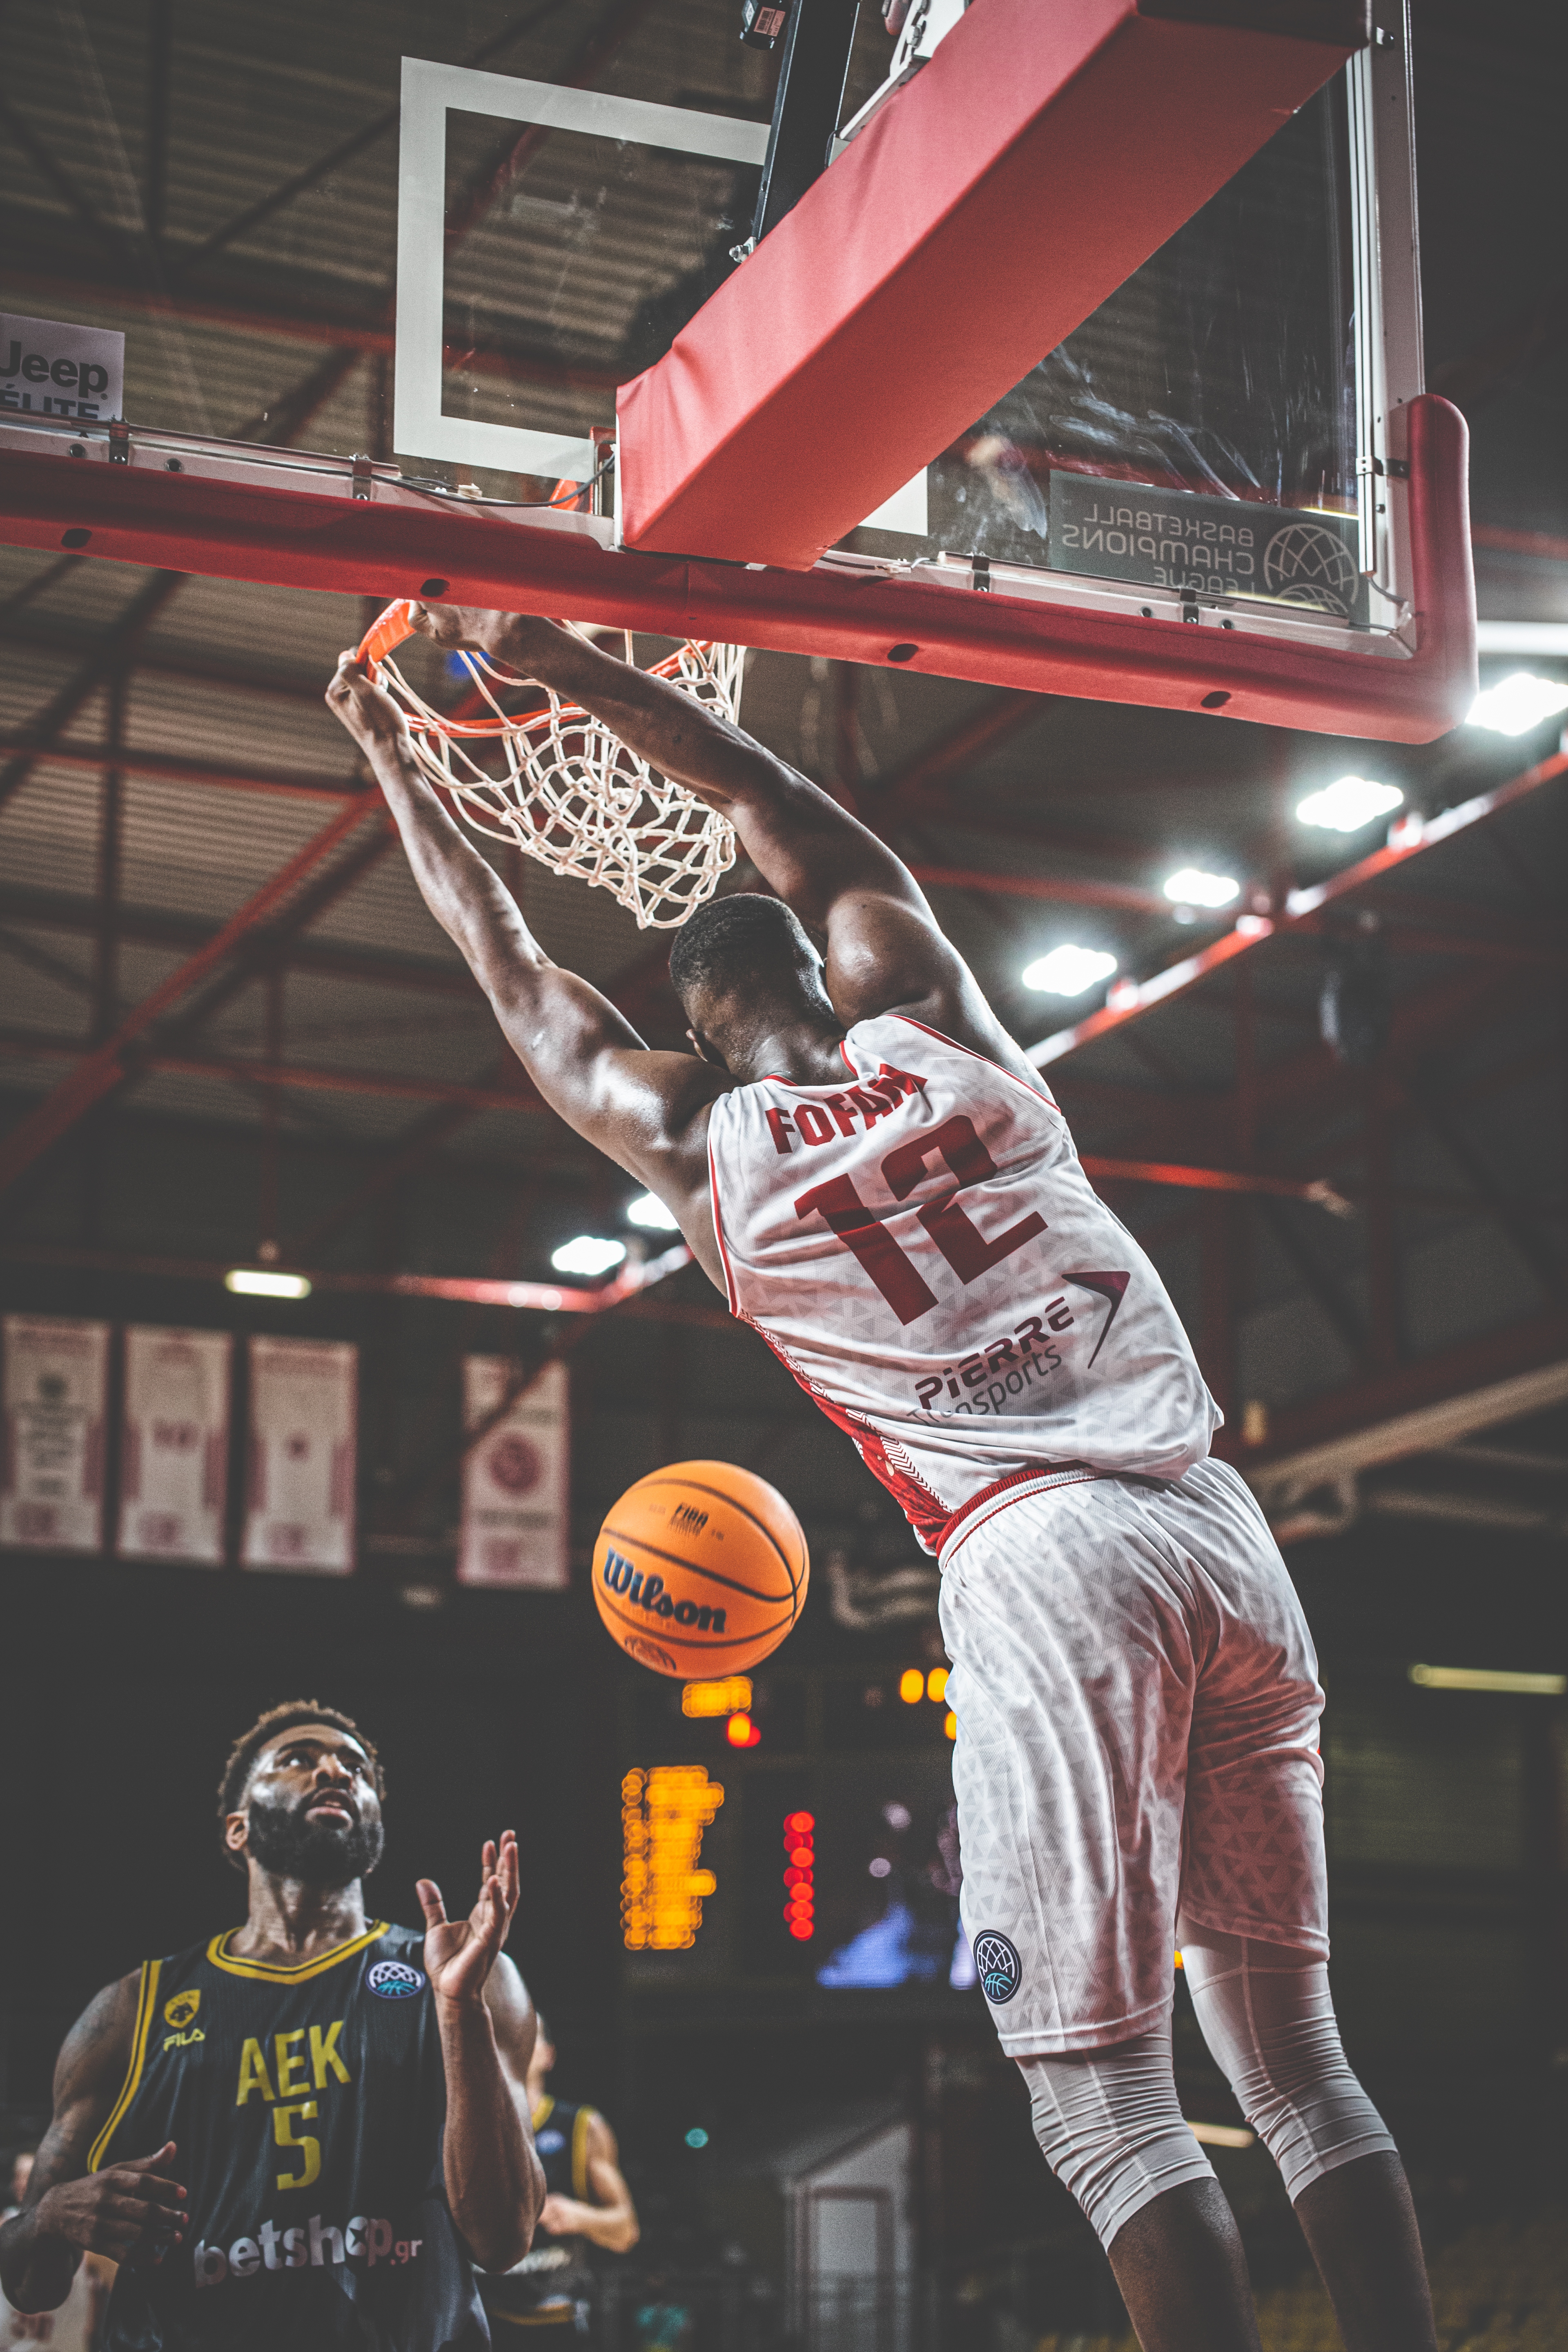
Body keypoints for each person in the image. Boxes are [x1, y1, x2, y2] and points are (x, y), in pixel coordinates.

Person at [325, 612, 1438, 2352]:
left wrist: (397, 749)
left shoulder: (699, 1147)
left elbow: (515, 977)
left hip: (1043, 1557)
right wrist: (572, 665)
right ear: (826, 965)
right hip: (1215, 1524)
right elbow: (770, 792)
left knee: (1104, 2106)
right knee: (1296, 2066)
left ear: (692, 1023)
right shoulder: (941, 1026)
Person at [0, 1701, 544, 2351]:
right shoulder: (131, 2011)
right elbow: (28, 2281)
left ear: (375, 1823)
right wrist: (55, 2217)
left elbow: (505, 2240)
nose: (335, 1773)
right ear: (238, 1829)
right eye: (298, 1760)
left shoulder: (464, 1978)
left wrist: (459, 2011)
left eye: (357, 1769)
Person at [479, 2012, 639, 2332]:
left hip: (557, 2319)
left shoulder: (583, 2126)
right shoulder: (462, 2131)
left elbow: (626, 2232)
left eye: (529, 2034)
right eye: (507, 2034)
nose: (517, 2041)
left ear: (549, 2055)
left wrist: (579, 2216)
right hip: (481, 2317)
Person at [1, 2152, 110, 2351]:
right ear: (14, 2183)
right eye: (22, 2175)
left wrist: (93, 2319)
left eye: (34, 2174)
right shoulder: (3, 2228)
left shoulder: (82, 2232)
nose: (27, 2182)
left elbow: (111, 2280)